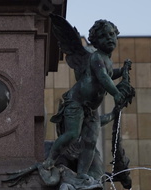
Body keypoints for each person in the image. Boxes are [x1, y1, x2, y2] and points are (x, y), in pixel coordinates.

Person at [44, 17, 133, 176]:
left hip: (91, 110)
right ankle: (50, 160)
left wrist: (123, 70)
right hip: (76, 103)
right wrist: (116, 93)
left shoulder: (108, 61)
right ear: (96, 41)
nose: (109, 38)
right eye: (104, 36)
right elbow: (103, 77)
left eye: (112, 34)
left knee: (90, 142)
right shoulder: (96, 57)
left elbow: (110, 74)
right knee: (72, 134)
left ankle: (82, 174)